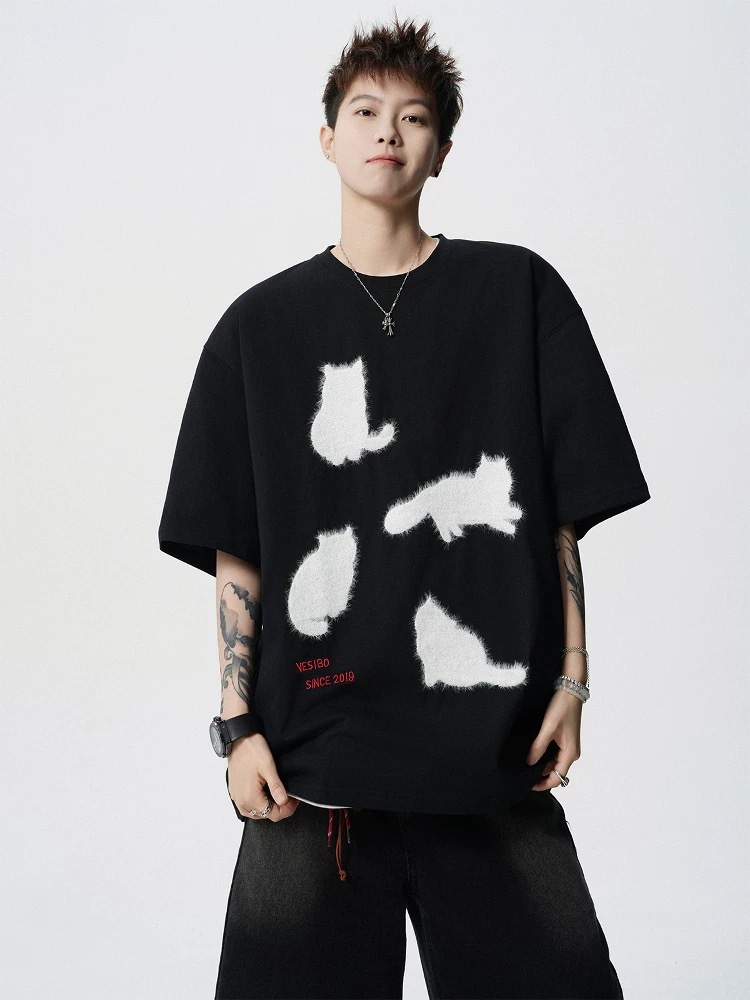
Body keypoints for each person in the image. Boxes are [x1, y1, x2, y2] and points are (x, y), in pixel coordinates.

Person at [158, 14, 650, 1000]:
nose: (388, 130)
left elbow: (558, 509)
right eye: (365, 110)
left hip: (489, 750)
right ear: (327, 136)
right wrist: (235, 723)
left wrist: (573, 677)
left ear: (442, 149)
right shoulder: (258, 329)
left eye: (415, 116)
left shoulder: (518, 292)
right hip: (313, 766)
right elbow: (237, 547)